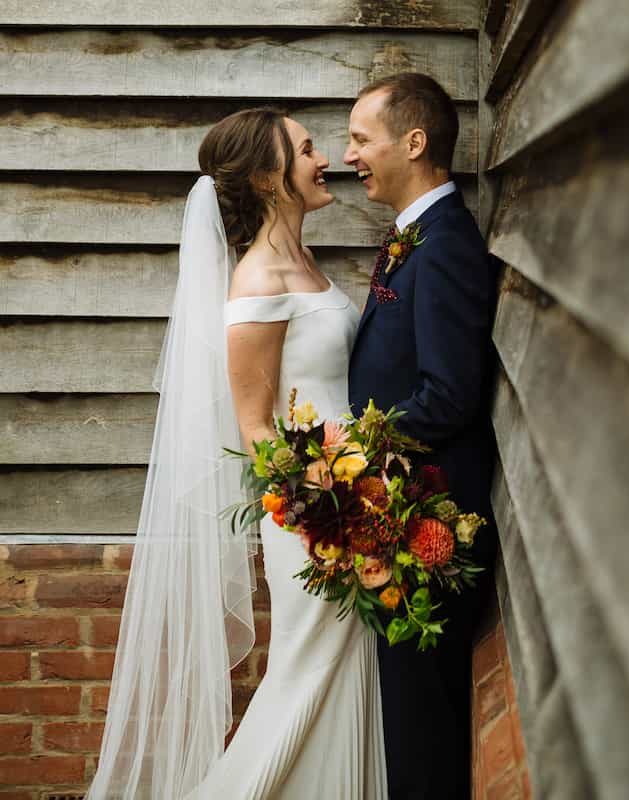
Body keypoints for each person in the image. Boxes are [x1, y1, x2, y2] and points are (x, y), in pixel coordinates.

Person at [88, 108, 387, 799]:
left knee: (341, 675)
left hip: (349, 501)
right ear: (266, 177)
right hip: (315, 520)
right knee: (305, 677)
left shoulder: (301, 262)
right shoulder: (258, 281)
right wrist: (326, 519)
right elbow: (256, 427)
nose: (326, 160)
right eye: (308, 150)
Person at [344, 73, 500, 799]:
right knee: (410, 720)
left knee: (425, 728)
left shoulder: (445, 249)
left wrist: (351, 447)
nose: (350, 155)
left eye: (360, 138)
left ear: (414, 142)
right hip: (399, 514)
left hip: (429, 521)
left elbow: (447, 398)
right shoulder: (415, 236)